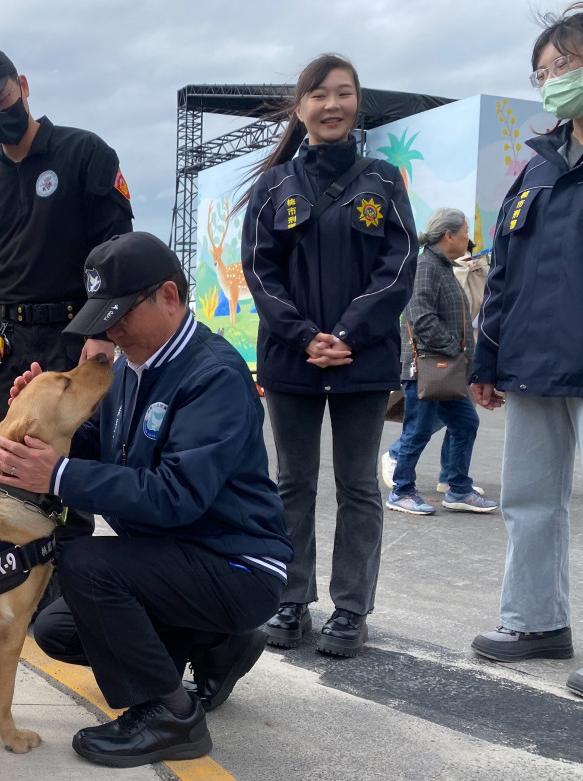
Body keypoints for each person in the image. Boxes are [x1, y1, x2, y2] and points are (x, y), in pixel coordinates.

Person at [0, 232, 291, 767]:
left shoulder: (212, 375)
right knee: (57, 630)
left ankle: (172, 716)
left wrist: (56, 475)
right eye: (104, 316)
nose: (112, 329)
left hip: (235, 563)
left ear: (169, 297)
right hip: (172, 556)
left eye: (122, 313)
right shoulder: (131, 367)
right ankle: (218, 644)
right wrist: (44, 419)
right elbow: (95, 446)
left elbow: (177, 496)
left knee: (85, 563)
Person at [470, 2, 583, 704]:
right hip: (533, 364)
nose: (550, 80)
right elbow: (504, 270)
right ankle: (536, 621)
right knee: (530, 501)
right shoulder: (537, 166)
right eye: (540, 71)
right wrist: (487, 359)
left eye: (563, 65)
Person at [239, 53, 417, 657]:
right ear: (301, 109)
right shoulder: (273, 185)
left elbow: (399, 268)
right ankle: (290, 599)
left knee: (360, 485)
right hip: (292, 363)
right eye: (319, 95)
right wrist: (303, 335)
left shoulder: (384, 181)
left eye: (343, 94)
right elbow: (259, 272)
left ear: (356, 103)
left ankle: (351, 609)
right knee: (292, 482)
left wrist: (346, 333)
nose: (331, 105)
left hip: (362, 363)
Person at [0, 47, 134, 609]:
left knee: (73, 469)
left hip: (80, 339)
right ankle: (24, 593)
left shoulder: (85, 154)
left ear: (23, 86)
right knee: (14, 474)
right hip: (13, 345)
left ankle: (72, 597)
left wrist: (102, 336)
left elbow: (117, 249)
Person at [386, 208, 498, 516]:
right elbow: (420, 317)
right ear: (448, 236)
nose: (468, 240)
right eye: (464, 233)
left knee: (465, 423)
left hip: (445, 371)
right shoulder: (425, 266)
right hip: (428, 369)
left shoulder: (442, 266)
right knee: (418, 430)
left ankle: (458, 488)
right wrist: (455, 351)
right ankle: (401, 491)